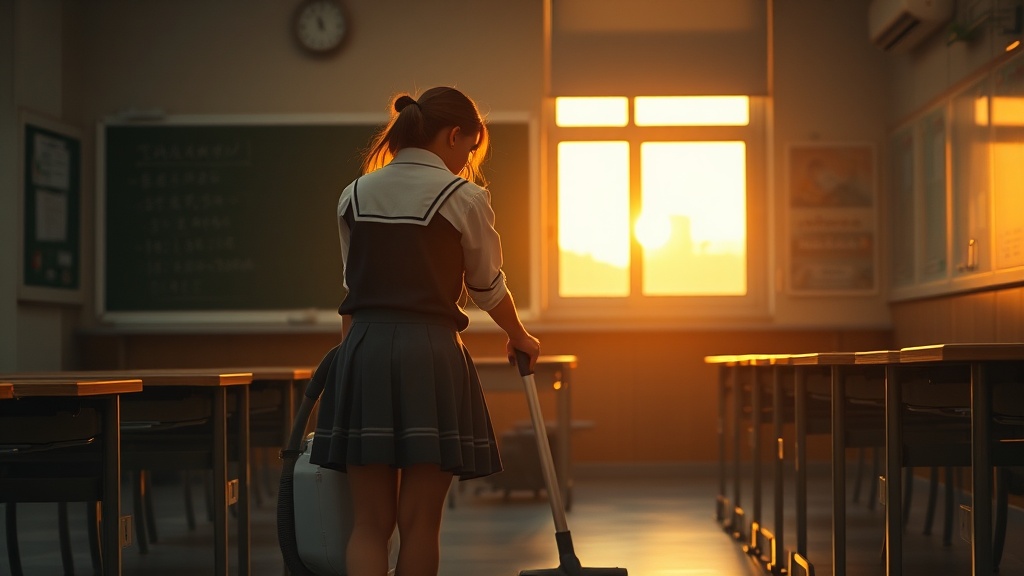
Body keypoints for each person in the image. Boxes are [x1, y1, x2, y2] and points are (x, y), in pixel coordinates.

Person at [309, 86, 540, 576]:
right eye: (470, 149)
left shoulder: (353, 194)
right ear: (455, 135)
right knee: (420, 523)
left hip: (363, 351)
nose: (467, 162)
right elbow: (487, 287)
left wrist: (349, 364)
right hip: (430, 354)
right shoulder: (465, 197)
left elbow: (351, 291)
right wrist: (520, 335)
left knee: (368, 524)